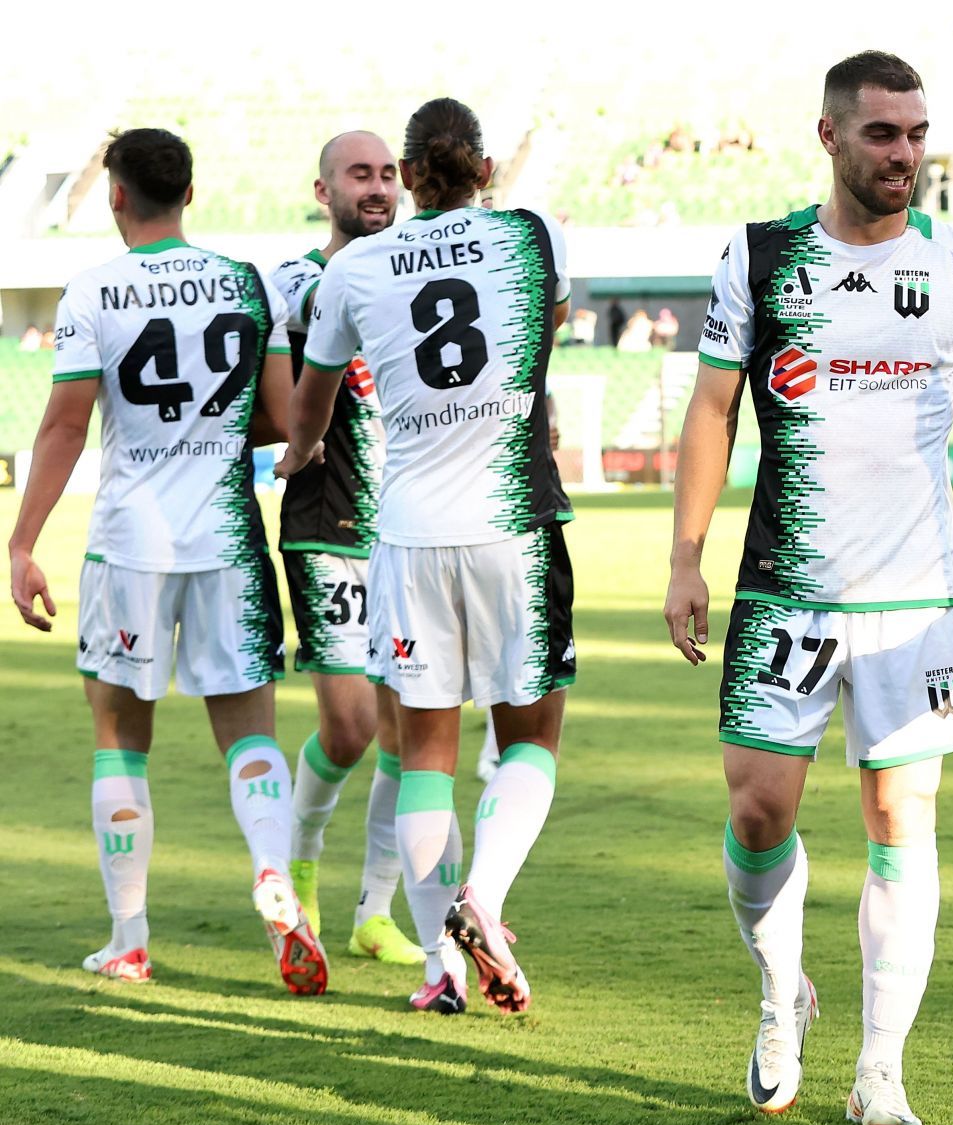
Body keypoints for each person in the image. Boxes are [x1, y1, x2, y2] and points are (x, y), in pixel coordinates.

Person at [663, 50, 953, 1125]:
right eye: (883, 134)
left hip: (915, 596)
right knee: (757, 810)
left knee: (900, 814)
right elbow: (711, 409)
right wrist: (686, 556)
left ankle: (881, 1066)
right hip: (784, 588)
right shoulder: (761, 255)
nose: (906, 155)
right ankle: (782, 993)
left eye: (918, 134)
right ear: (829, 136)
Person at [278, 98, 574, 1016]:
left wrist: (295, 453)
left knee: (424, 759)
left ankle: (444, 964)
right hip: (512, 526)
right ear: (486, 170)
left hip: (404, 538)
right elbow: (543, 337)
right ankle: (480, 897)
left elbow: (312, 403)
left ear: (407, 179)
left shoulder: (355, 268)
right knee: (531, 739)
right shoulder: (534, 235)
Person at [7, 128, 318, 993]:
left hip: (130, 543)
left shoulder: (93, 289)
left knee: (119, 739)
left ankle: (130, 939)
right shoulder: (243, 282)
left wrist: (23, 539)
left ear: (115, 196)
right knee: (250, 732)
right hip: (227, 536)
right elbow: (284, 416)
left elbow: (67, 425)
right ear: (189, 191)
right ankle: (275, 879)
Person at [267, 131, 433, 978]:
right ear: (323, 187)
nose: (376, 188)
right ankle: (297, 886)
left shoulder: (413, 270)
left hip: (408, 527)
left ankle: (375, 911)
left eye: (386, 175)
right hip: (327, 519)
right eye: (357, 175)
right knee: (351, 723)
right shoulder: (295, 279)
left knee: (410, 729)